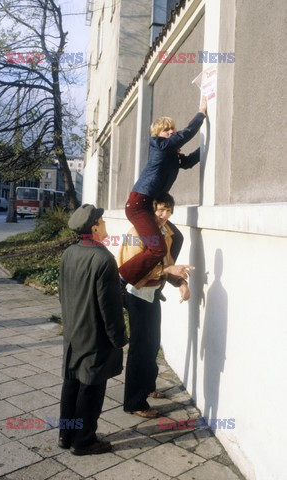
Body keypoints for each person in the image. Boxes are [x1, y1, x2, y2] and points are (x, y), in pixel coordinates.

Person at [58, 204, 127, 455]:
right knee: (91, 388)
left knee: (71, 383)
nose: (106, 225)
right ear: (95, 227)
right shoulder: (103, 259)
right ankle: (84, 440)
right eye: (104, 221)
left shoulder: (69, 253)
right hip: (95, 336)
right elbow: (110, 308)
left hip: (74, 332)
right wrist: (119, 338)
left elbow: (62, 294)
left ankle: (66, 435)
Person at [119, 97, 207, 287]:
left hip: (148, 207)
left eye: (171, 129)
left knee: (177, 237)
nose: (170, 132)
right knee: (157, 248)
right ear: (157, 134)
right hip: (137, 206)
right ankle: (121, 279)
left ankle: (165, 277)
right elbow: (182, 136)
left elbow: (189, 161)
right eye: (166, 130)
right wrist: (201, 114)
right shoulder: (159, 146)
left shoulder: (171, 155)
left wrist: (207, 145)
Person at [118, 193, 190, 418]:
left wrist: (182, 283)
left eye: (168, 211)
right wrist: (167, 271)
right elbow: (132, 272)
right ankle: (134, 402)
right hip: (135, 294)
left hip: (152, 293)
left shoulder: (166, 233)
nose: (164, 215)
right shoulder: (134, 235)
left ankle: (148, 387)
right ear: (149, 211)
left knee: (152, 344)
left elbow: (168, 264)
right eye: (159, 210)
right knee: (139, 350)